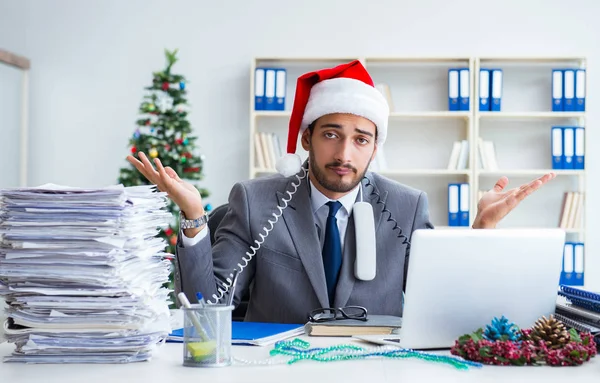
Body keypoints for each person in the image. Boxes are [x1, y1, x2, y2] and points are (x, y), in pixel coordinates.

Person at [128, 60, 555, 324]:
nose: (345, 153)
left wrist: (481, 229)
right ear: (307, 136)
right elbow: (204, 305)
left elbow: (450, 307)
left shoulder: (406, 207)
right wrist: (192, 215)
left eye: (361, 139)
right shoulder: (255, 200)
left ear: (374, 148)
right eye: (331, 134)